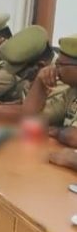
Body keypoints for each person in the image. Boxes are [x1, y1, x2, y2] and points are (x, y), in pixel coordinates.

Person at [23, 34, 77, 171]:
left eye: (60, 65)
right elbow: (30, 120)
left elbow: (74, 137)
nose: (54, 69)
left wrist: (58, 132)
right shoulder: (71, 92)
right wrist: (39, 83)